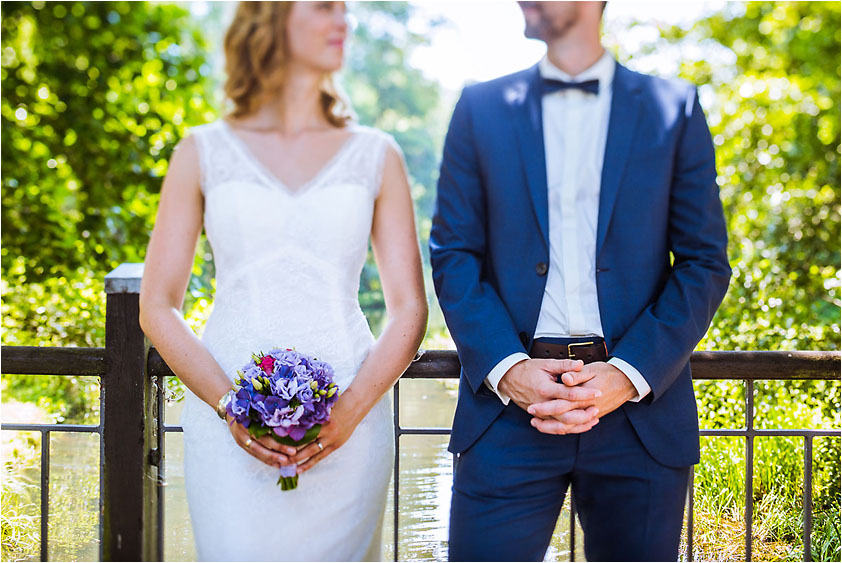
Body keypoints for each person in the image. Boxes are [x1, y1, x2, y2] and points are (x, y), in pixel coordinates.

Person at [430, 2, 731, 561]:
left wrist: (626, 375)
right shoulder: (481, 108)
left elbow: (704, 261)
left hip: (639, 419)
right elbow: (454, 255)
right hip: (507, 415)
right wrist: (508, 369)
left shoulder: (673, 108)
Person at [138, 2, 427, 560]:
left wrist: (348, 413)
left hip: (351, 427)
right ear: (271, 19)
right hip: (226, 431)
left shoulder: (377, 155)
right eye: (324, 7)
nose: (342, 22)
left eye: (345, 11)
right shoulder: (201, 152)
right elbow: (157, 305)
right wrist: (229, 406)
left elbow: (410, 310)